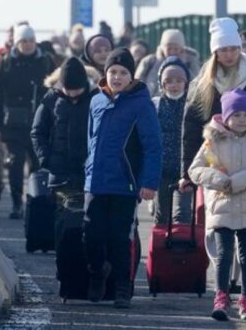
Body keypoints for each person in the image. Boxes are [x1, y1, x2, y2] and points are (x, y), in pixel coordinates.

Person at [83, 48, 162, 309]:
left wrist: (149, 182)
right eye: (113, 72)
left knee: (120, 238)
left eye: (123, 73)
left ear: (131, 76)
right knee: (91, 235)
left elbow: (153, 146)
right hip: (95, 182)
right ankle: (96, 273)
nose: (117, 77)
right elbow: (91, 140)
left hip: (125, 184)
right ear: (106, 74)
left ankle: (122, 288)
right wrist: (88, 170)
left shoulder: (142, 104)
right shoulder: (96, 101)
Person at [188, 88, 246, 321]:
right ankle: (221, 297)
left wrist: (238, 181)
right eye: (236, 115)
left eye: (245, 115)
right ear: (225, 117)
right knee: (224, 255)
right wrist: (218, 180)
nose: (241, 120)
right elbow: (195, 170)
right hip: (221, 206)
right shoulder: (211, 143)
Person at [179, 17, 246, 192]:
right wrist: (187, 174)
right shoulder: (204, 83)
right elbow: (191, 128)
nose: (229, 55)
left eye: (234, 49)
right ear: (215, 52)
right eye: (223, 50)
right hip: (215, 162)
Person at [0, 23, 54, 219]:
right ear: (17, 42)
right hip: (13, 125)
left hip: (39, 123)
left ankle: (35, 202)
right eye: (23, 41)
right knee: (15, 164)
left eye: (31, 40)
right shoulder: (6, 62)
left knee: (38, 165)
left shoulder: (46, 61)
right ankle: (17, 203)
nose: (28, 44)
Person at [30, 56, 95, 204]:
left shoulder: (95, 99)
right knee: (61, 217)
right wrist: (46, 159)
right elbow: (38, 132)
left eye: (76, 90)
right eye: (68, 90)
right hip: (59, 173)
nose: (72, 94)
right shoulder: (50, 99)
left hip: (88, 173)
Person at [151, 56, 192, 224]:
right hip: (162, 169)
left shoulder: (192, 105)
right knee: (162, 214)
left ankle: (183, 248)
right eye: (169, 81)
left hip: (186, 169)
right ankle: (161, 248)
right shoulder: (156, 105)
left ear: (186, 82)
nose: (174, 85)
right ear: (162, 84)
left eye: (179, 80)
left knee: (183, 215)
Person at [135, 29, 200, 97]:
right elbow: (137, 84)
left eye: (176, 49)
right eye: (169, 49)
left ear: (181, 49)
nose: (172, 52)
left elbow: (196, 84)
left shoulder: (190, 62)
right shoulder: (150, 62)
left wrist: (183, 65)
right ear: (162, 48)